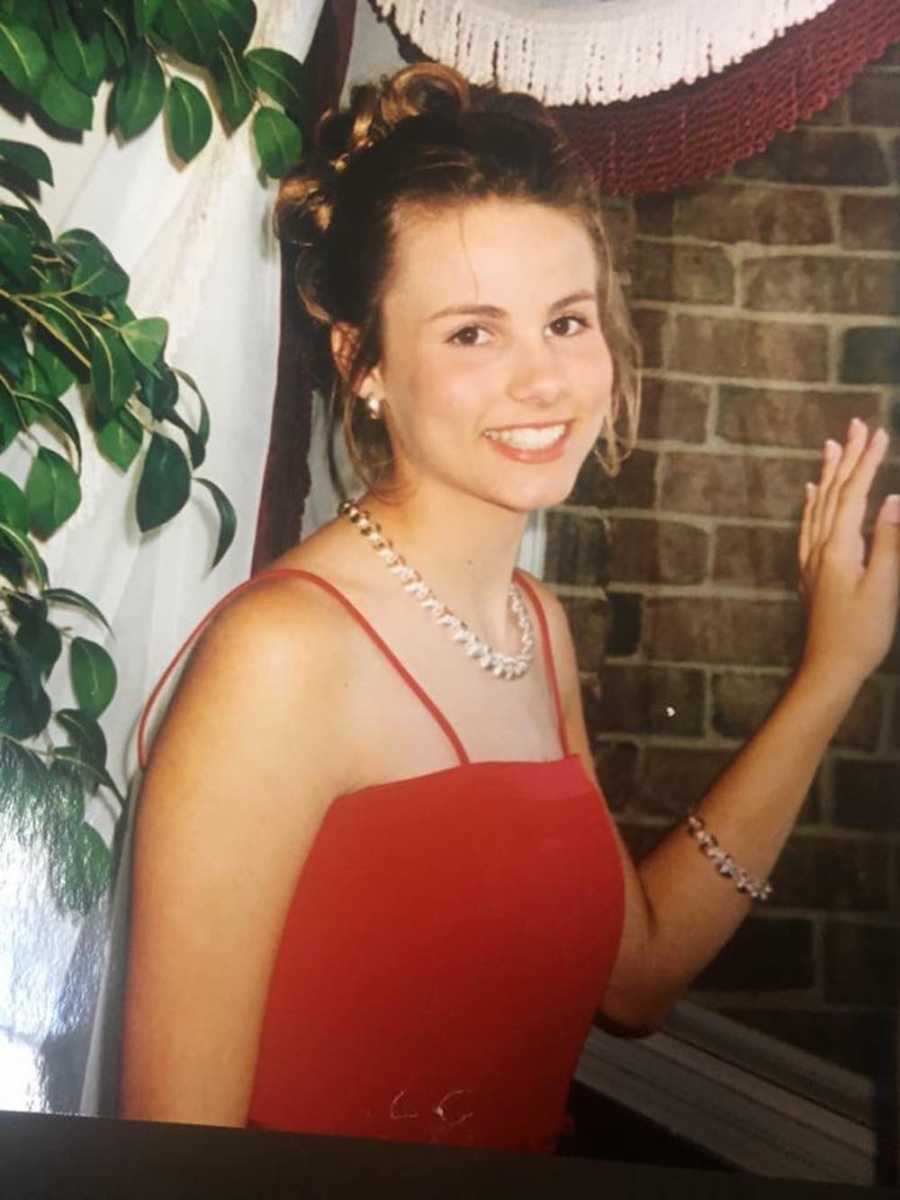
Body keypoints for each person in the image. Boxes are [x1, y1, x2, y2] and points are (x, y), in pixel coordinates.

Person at [120, 63, 899, 1152]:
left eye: (567, 322)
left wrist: (833, 670)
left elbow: (641, 976)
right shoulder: (283, 657)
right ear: (364, 363)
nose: (544, 382)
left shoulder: (532, 625)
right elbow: (164, 1157)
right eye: (473, 333)